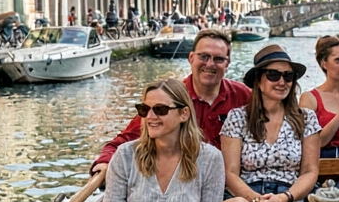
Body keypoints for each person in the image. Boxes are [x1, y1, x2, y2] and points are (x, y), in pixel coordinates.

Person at [34, 79, 225, 202]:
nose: (150, 117)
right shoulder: (125, 154)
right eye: (144, 109)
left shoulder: (210, 159)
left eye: (160, 109)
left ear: (184, 114)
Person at [90, 29, 249, 178]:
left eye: (218, 59)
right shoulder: (167, 98)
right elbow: (125, 140)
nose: (210, 64)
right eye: (204, 57)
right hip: (185, 182)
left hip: (230, 183)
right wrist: (104, 162)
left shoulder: (245, 96)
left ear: (227, 63)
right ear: (191, 58)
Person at [209, 44, 321, 202]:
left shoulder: (306, 118)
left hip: (291, 196)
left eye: (288, 76)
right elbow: (230, 173)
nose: (282, 82)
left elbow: (310, 171)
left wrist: (284, 198)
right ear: (258, 80)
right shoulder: (238, 117)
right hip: (248, 197)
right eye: (273, 75)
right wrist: (257, 200)